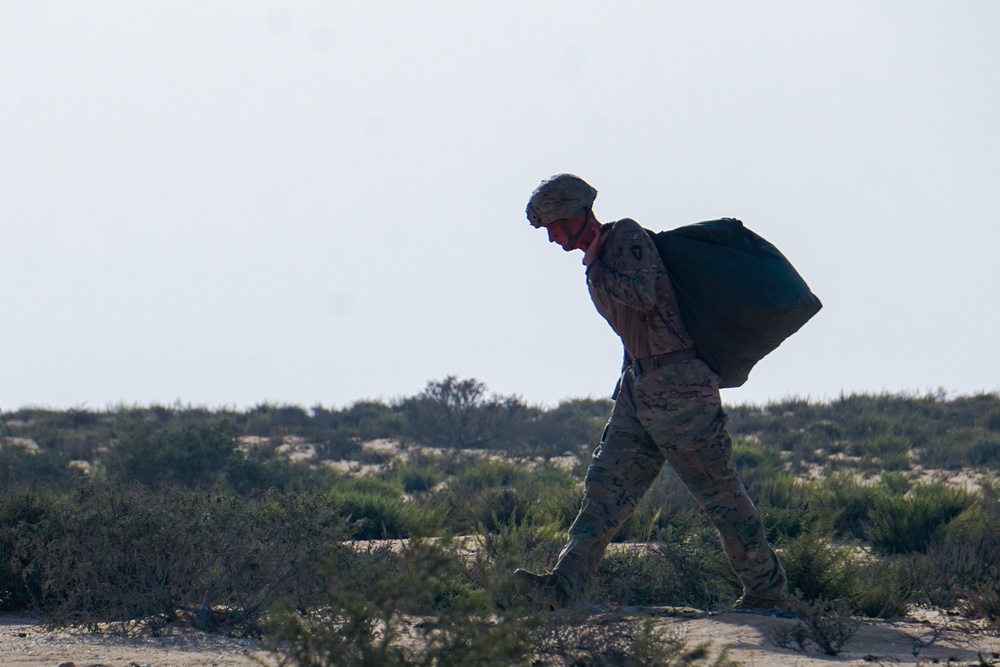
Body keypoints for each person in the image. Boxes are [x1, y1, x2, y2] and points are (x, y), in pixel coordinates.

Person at [514, 173, 788, 613]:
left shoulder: (625, 237)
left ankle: (767, 593)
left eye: (552, 226)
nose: (550, 238)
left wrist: (598, 268)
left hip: (680, 391)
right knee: (604, 491)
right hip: (640, 390)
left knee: (720, 494)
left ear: (573, 214)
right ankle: (564, 588)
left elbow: (644, 295)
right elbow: (636, 328)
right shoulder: (600, 259)